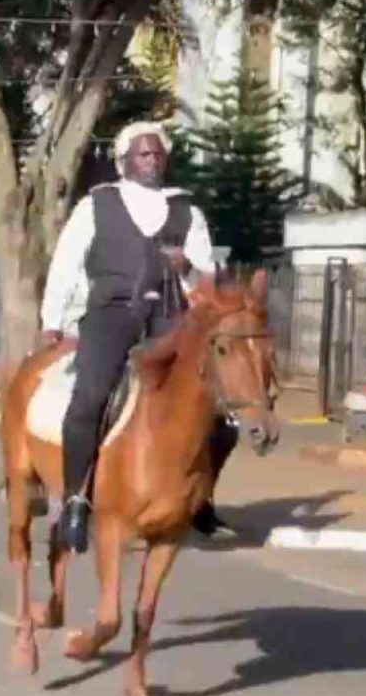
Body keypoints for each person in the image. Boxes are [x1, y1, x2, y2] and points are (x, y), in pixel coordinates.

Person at [38, 120, 237, 553]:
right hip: (111, 314)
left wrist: (186, 266)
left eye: (158, 154)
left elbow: (207, 278)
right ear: (124, 161)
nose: (152, 161)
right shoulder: (96, 205)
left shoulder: (188, 211)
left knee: (221, 415)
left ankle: (200, 501)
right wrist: (52, 319)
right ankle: (76, 500)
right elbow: (66, 263)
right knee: (90, 398)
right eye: (143, 154)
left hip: (170, 315)